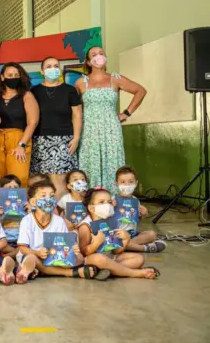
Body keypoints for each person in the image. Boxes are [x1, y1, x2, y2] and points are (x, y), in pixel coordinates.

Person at [75, 46, 147, 193]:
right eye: (94, 54)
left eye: (101, 53)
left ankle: (114, 199)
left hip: (111, 128)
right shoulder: (81, 82)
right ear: (88, 62)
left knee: (112, 161)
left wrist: (126, 113)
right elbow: (75, 109)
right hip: (89, 129)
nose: (98, 56)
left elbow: (140, 91)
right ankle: (90, 198)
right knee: (90, 162)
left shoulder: (115, 79)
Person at [17, 181, 111, 281]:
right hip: (34, 255)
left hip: (53, 256)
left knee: (79, 257)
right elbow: (23, 248)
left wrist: (73, 249)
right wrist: (38, 253)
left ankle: (41, 271)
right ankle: (71, 273)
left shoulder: (59, 221)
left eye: (52, 196)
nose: (49, 199)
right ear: (33, 202)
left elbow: (65, 245)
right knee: (32, 259)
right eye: (44, 196)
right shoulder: (26, 220)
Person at [77, 188, 159, 279]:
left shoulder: (111, 222)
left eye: (109, 202)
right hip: (92, 259)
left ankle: (106, 271)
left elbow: (116, 251)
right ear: (91, 208)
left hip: (110, 257)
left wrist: (126, 240)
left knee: (139, 259)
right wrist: (96, 243)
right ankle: (135, 273)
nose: (107, 205)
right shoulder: (85, 226)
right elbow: (83, 252)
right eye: (101, 202)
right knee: (100, 259)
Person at [31, 57, 82, 199]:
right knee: (42, 180)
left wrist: (76, 138)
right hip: (40, 140)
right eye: (48, 66)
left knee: (60, 179)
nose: (53, 69)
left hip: (64, 139)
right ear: (42, 71)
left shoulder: (69, 90)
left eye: (55, 66)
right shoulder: (34, 91)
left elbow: (77, 114)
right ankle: (44, 212)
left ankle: (61, 214)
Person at [0, 63, 39, 188]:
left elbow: (33, 122)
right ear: (2, 77)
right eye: (9, 75)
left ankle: (20, 206)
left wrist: (22, 145)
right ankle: (5, 207)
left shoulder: (27, 96)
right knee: (1, 179)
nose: (13, 77)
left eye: (16, 75)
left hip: (18, 140)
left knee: (19, 179)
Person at [115, 166, 166, 253]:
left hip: (132, 233)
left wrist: (143, 215)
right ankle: (144, 248)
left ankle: (124, 246)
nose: (127, 185)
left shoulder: (135, 200)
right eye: (123, 182)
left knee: (152, 234)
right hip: (118, 234)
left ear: (136, 183)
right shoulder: (112, 200)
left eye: (131, 182)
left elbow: (135, 220)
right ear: (116, 184)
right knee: (113, 240)